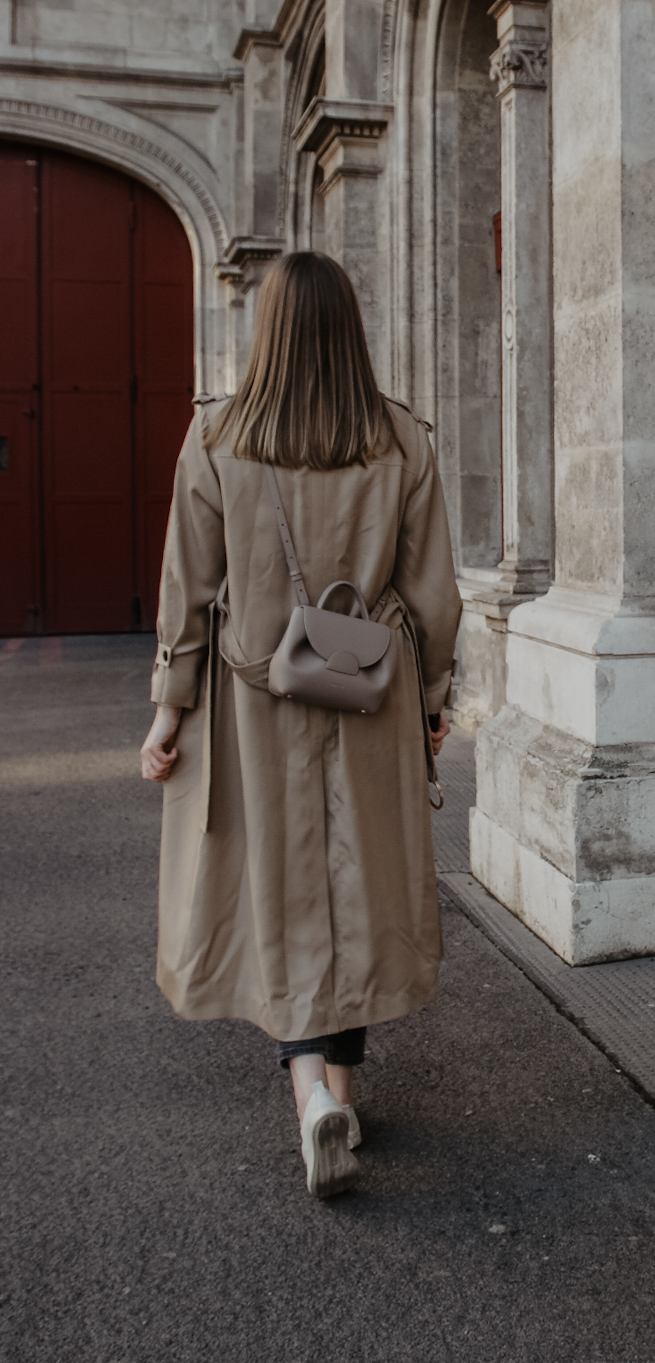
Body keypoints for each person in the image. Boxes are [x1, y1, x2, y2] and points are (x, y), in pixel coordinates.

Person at [140, 252, 461, 1199]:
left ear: (266, 330)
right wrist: (434, 700)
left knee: (278, 885)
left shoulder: (217, 439)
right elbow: (432, 595)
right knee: (354, 882)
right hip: (369, 694)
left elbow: (187, 591)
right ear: (349, 329)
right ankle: (340, 1092)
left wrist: (167, 713)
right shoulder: (402, 440)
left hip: (253, 704)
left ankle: (311, 1094)